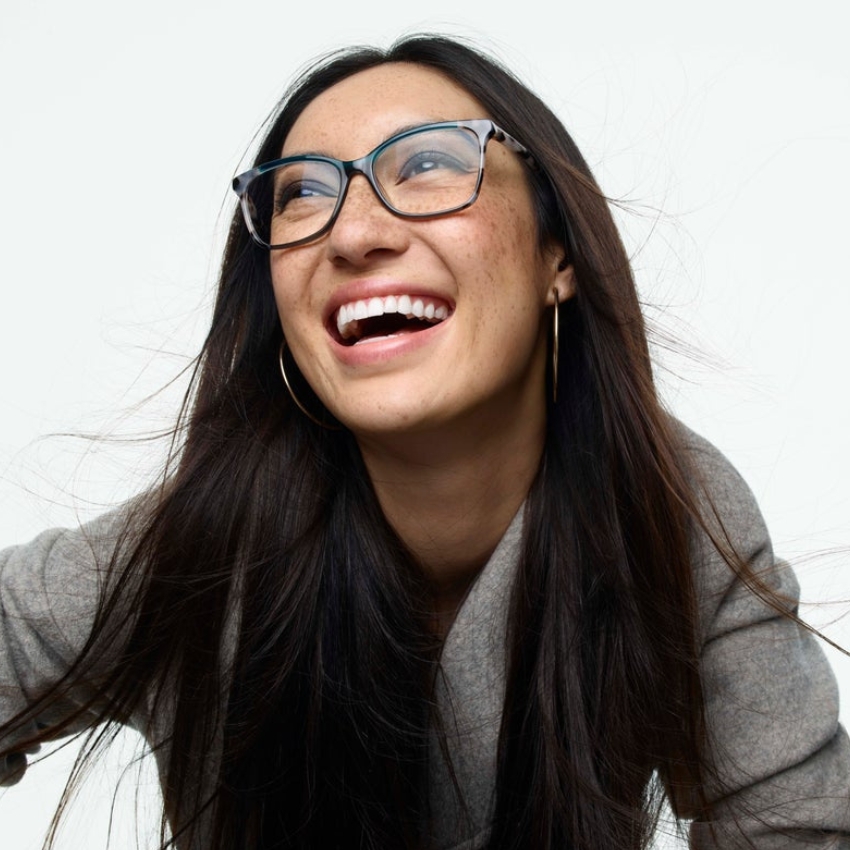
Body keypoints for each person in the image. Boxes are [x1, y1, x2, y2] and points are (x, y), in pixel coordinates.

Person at [1, 33, 848, 850]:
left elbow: (800, 826)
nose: (353, 232)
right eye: (300, 191)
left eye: (432, 162)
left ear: (559, 254)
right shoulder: (204, 543)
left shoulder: (671, 508)